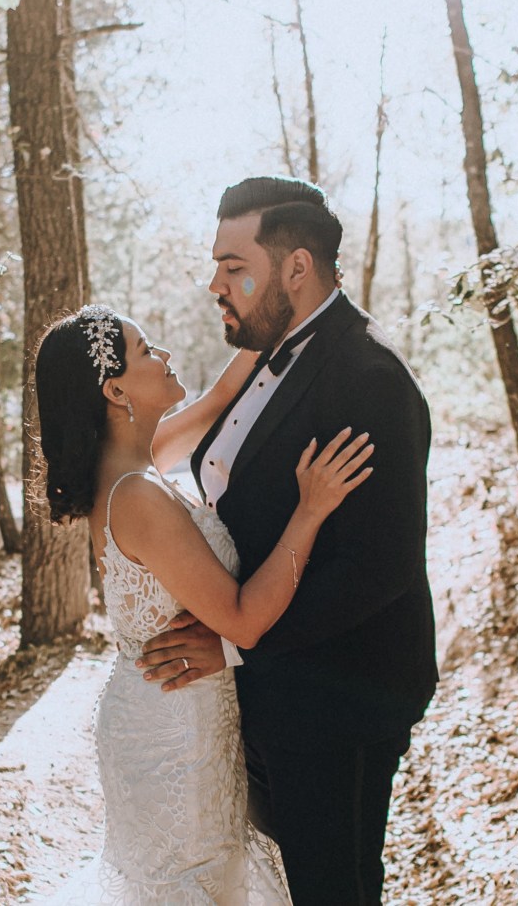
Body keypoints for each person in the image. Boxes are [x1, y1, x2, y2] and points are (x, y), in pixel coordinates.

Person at [139, 176, 438, 905]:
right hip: (266, 696)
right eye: (216, 265)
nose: (216, 285)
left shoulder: (369, 378)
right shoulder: (264, 354)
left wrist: (235, 641)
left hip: (337, 700)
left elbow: (379, 566)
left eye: (234, 266)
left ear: (297, 267)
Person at [34, 303, 373, 904]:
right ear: (115, 390)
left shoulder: (135, 462)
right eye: (146, 350)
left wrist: (284, 306)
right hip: (173, 733)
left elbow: (220, 398)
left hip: (180, 712)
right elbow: (243, 619)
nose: (163, 354)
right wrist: (311, 509)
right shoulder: (136, 495)